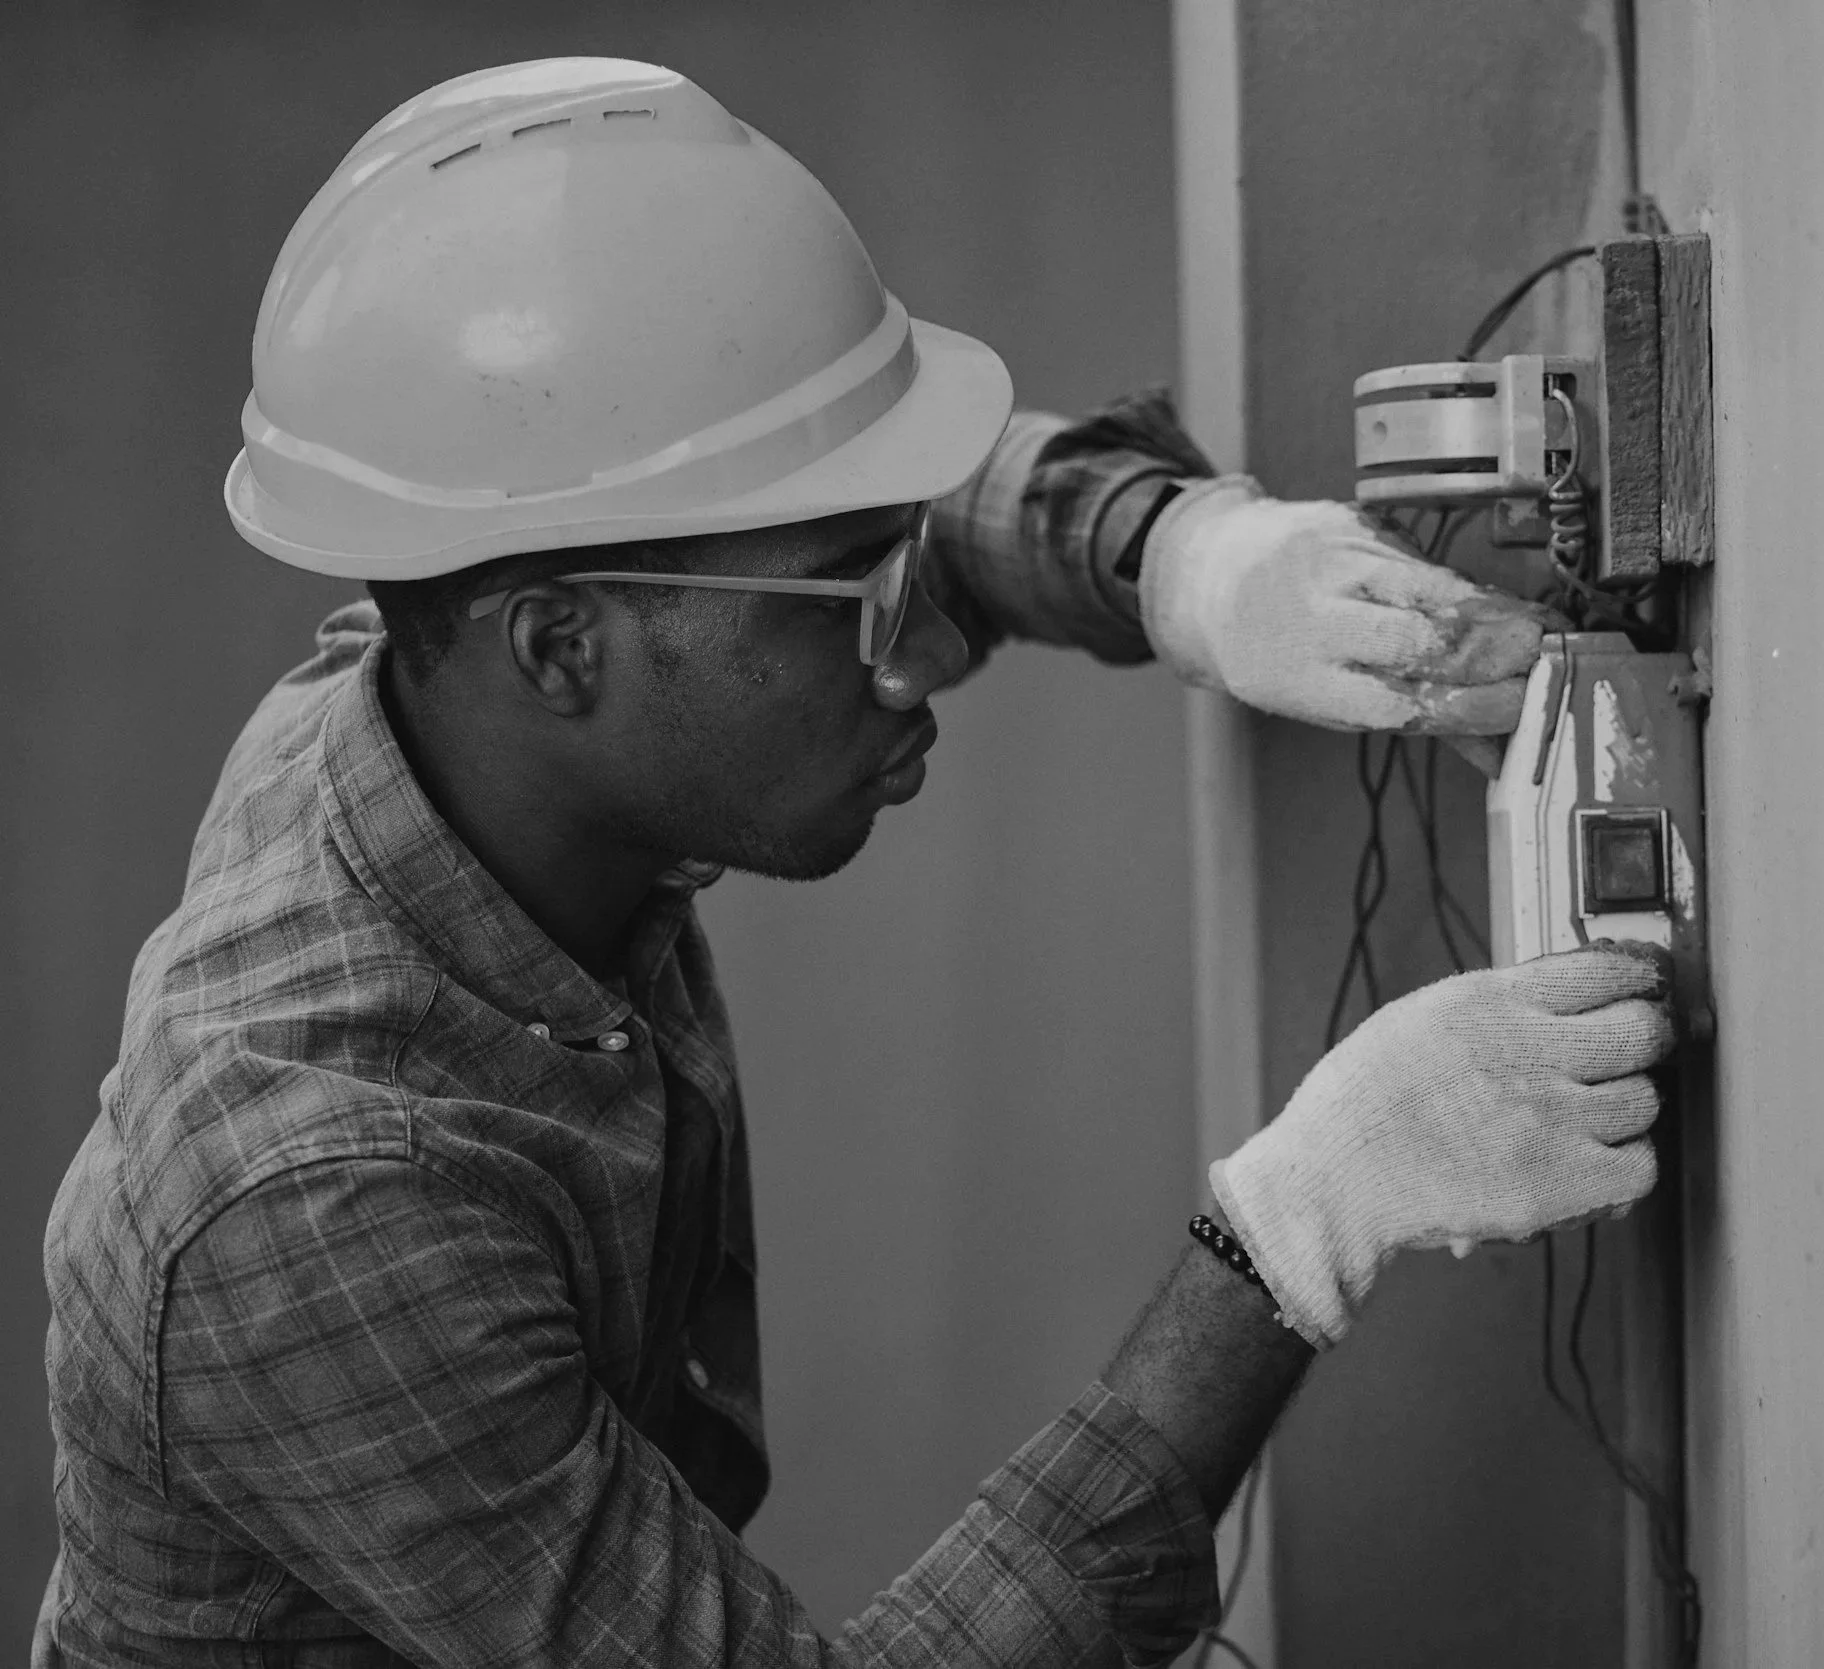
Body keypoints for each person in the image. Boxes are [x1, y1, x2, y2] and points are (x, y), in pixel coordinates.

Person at [38, 59, 1673, 1667]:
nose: (921, 668)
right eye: (859, 612)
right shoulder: (317, 1202)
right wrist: (1296, 1227)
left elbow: (817, 506)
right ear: (557, 650)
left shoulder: (449, 671)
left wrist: (1180, 560)